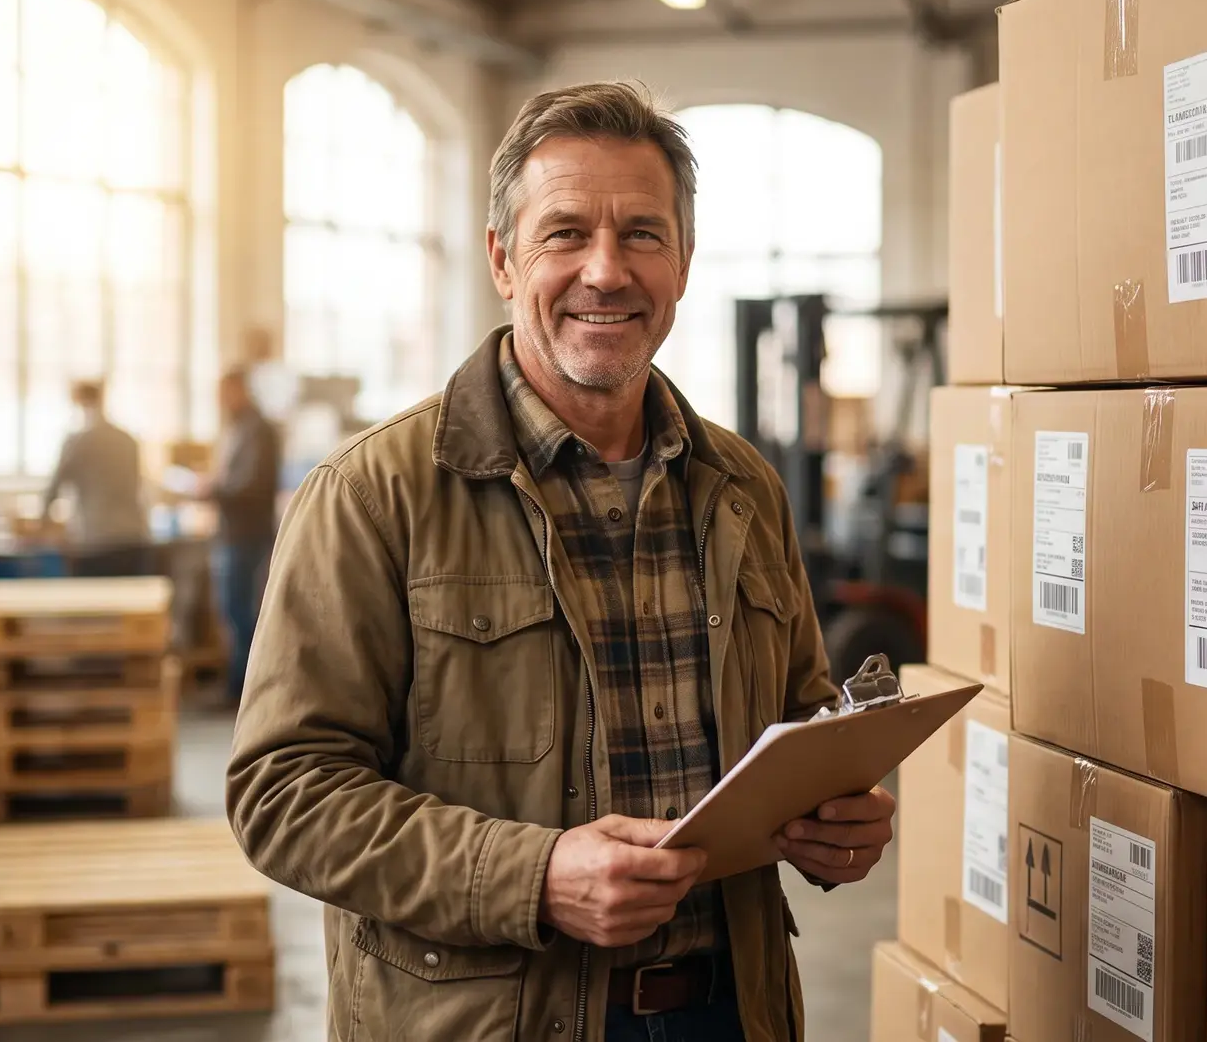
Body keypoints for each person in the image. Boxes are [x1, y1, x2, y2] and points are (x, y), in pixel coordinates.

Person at [226, 82, 896, 1042]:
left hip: (730, 1011)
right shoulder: (375, 496)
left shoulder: (741, 484)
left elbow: (793, 721)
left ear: (684, 261)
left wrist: (836, 823)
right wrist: (531, 876)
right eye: (564, 233)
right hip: (494, 1019)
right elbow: (284, 792)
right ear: (504, 259)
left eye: (642, 235)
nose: (605, 270)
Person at [205, 367, 281, 702]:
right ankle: (237, 685)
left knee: (243, 612)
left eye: (224, 392)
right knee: (232, 610)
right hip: (233, 531)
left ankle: (246, 689)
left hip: (247, 533)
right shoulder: (238, 428)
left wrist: (213, 490)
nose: (220, 400)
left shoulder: (258, 430)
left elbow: (250, 485)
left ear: (239, 390)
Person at [42, 380, 151, 577]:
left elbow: (53, 490)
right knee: (128, 603)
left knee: (95, 605)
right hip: (133, 538)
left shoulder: (77, 441)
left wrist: (43, 527)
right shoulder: (127, 440)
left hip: (95, 541)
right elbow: (138, 486)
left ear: (77, 401)